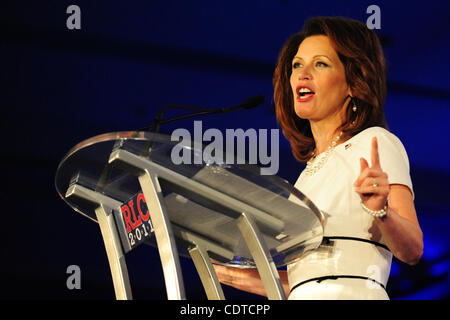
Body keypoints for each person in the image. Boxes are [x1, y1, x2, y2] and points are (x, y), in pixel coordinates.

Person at [213, 16, 423, 300]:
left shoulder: (375, 143)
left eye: (320, 64)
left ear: (353, 81)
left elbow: (412, 250)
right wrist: (225, 270)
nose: (302, 74)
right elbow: (305, 283)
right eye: (297, 65)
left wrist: (381, 210)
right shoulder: (306, 176)